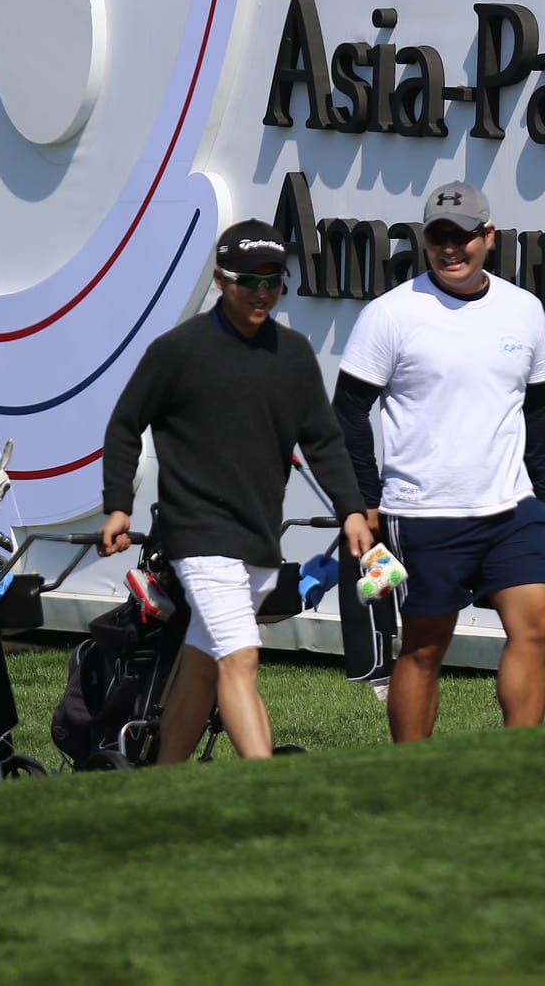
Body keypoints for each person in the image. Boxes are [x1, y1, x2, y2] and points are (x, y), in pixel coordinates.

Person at [98, 220, 375, 762]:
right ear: (222, 279)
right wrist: (117, 506)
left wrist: (352, 511)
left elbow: (323, 441)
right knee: (241, 659)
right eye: (250, 281)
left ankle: (163, 786)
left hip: (257, 540)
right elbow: (125, 424)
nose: (263, 292)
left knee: (203, 665)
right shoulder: (177, 351)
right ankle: (264, 790)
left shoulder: (293, 355)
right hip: (198, 535)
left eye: (274, 281)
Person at [332, 180, 545, 743]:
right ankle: (417, 779)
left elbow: (538, 408)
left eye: (462, 237)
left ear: (489, 236)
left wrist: (541, 496)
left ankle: (520, 764)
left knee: (535, 628)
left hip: (512, 511)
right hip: (422, 514)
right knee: (426, 647)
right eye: (438, 237)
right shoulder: (391, 314)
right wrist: (366, 502)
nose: (449, 249)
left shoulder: (523, 309)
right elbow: (347, 416)